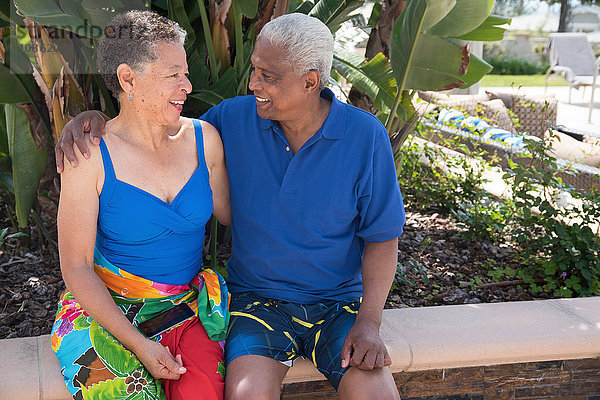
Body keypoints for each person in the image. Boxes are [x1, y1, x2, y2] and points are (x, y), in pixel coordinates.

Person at [57, 13, 405, 400]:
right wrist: (92, 121)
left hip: (337, 304)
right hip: (256, 301)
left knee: (378, 394)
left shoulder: (362, 136)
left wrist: (370, 322)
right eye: (254, 70)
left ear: (310, 82)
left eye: (267, 76)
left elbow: (382, 237)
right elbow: (148, 130)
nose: (252, 83)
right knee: (245, 394)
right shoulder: (233, 119)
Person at [51, 10, 230, 400]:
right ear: (128, 78)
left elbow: (237, 216)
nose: (187, 85)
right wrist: (139, 345)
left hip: (182, 309)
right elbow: (76, 267)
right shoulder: (89, 155)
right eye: (173, 75)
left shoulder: (205, 140)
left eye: (185, 72)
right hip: (106, 313)